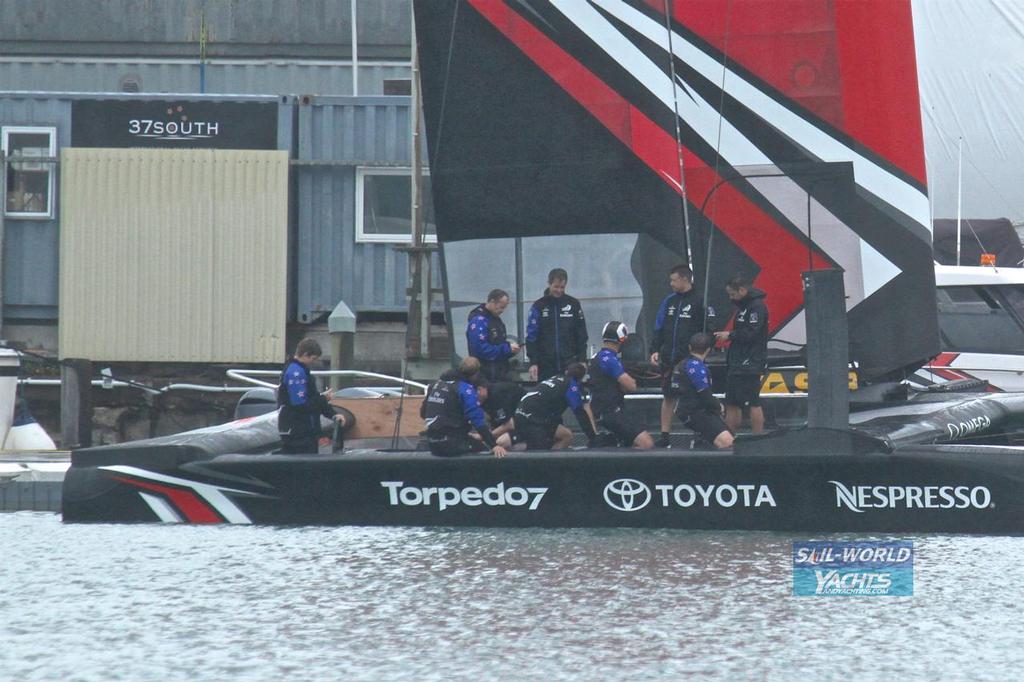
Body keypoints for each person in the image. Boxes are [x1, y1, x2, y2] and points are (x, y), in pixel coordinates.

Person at [649, 264, 714, 448]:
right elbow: (659, 327)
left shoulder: (701, 300)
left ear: (685, 279)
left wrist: (702, 353)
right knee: (668, 396)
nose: (671, 284)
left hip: (690, 360)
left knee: (696, 398)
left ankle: (701, 434)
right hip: (669, 358)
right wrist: (654, 349)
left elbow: (710, 330)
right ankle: (665, 435)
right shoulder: (669, 301)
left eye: (673, 280)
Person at [714, 275, 769, 434]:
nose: (731, 298)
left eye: (733, 294)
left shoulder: (757, 307)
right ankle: (729, 438)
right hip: (736, 360)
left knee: (753, 401)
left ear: (743, 290)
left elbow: (751, 333)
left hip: (751, 360)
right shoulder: (742, 308)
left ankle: (758, 437)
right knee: (731, 401)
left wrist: (730, 335)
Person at [587, 321, 655, 449]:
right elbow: (630, 386)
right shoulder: (610, 360)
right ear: (621, 339)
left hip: (603, 411)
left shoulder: (596, 357)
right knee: (647, 443)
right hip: (612, 412)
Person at [422, 357, 508, 457]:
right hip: (451, 443)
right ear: (476, 374)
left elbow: (423, 413)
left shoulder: (435, 385)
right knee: (484, 448)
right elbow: (477, 421)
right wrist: (494, 445)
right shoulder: (465, 389)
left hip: (433, 444)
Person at [277, 338, 346, 454]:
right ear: (305, 355)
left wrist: (333, 414)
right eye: (313, 358)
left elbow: (311, 398)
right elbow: (300, 404)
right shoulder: (296, 373)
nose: (313, 362)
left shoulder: (300, 370)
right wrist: (323, 399)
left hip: (302, 429)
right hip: (296, 429)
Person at [671, 332, 734, 449]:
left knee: (728, 435)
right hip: (696, 412)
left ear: (689, 347)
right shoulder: (697, 367)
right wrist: (719, 407)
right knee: (729, 443)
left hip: (685, 410)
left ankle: (702, 442)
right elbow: (705, 396)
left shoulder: (680, 364)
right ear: (708, 350)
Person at [514, 363, 598, 450]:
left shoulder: (555, 378)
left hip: (520, 412)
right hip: (535, 416)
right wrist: (592, 437)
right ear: (581, 378)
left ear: (566, 372)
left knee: (558, 436)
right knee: (564, 437)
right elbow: (579, 413)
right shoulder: (571, 386)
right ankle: (552, 461)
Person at [525, 268, 588, 382]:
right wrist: (533, 362)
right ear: (549, 284)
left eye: (562, 287)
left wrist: (582, 359)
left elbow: (581, 334)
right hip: (545, 365)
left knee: (570, 396)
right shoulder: (539, 306)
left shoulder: (573, 304)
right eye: (556, 287)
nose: (559, 290)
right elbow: (531, 336)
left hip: (569, 363)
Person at [466, 289, 521, 381]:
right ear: (492, 302)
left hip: (498, 372)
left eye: (504, 308)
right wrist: (506, 348)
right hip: (485, 374)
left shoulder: (495, 319)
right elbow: (479, 349)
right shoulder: (479, 320)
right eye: (501, 307)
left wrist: (510, 350)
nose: (502, 310)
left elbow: (497, 342)